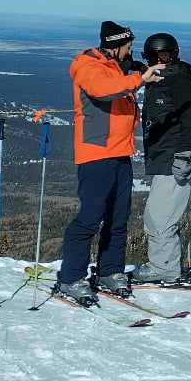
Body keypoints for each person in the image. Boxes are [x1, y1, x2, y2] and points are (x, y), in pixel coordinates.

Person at [56, 21, 162, 305]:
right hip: (96, 153)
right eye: (127, 46)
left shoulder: (116, 64)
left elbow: (127, 70)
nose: (131, 51)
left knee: (118, 218)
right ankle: (71, 277)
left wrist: (141, 69)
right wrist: (140, 78)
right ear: (115, 45)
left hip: (119, 152)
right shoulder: (88, 66)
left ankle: (109, 272)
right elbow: (103, 90)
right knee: (90, 218)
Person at [132, 32, 191, 286]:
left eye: (163, 55)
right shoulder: (157, 79)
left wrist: (184, 154)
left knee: (159, 217)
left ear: (173, 54)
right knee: (157, 215)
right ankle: (164, 265)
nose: (159, 60)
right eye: (153, 56)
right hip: (162, 156)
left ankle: (164, 269)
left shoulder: (179, 81)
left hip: (174, 159)